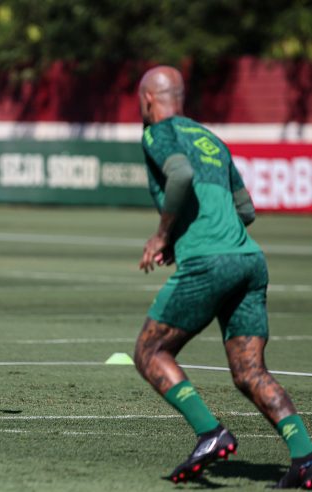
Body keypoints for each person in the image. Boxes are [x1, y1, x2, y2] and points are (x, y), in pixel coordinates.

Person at [133, 66, 312, 488]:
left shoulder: (158, 133)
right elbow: (247, 211)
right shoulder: (212, 139)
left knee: (150, 351)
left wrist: (162, 236)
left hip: (208, 263)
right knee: (250, 372)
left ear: (147, 100)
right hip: (250, 260)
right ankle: (305, 457)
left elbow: (180, 175)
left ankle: (210, 432)